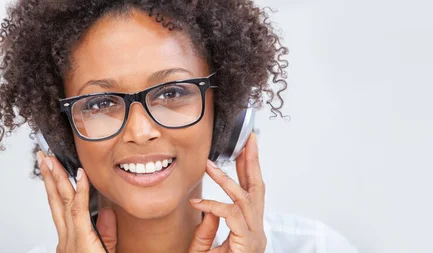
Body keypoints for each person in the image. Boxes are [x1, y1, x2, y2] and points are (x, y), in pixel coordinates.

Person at [0, 0, 357, 252]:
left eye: (172, 93)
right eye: (100, 103)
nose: (140, 132)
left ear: (226, 113)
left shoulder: (317, 247)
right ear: (59, 136)